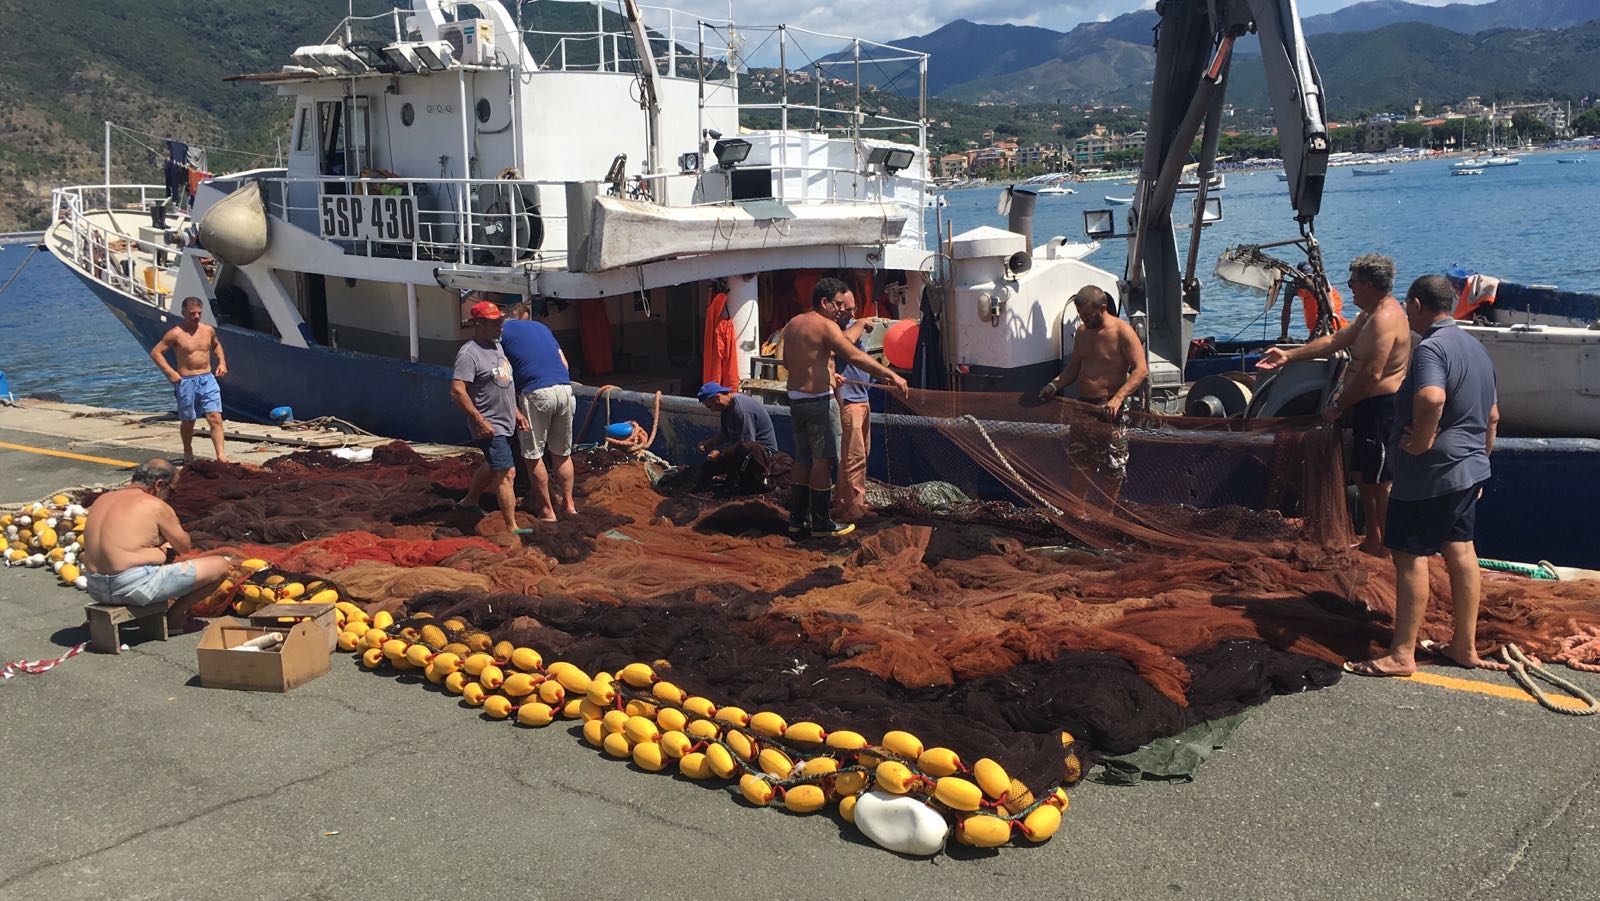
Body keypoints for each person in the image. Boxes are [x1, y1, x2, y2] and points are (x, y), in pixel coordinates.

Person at [1344, 274, 1504, 676]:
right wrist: (1480, 462)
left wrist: (1420, 442)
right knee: (1461, 551)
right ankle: (1463, 646)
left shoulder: (1431, 348)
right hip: (1470, 470)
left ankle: (1402, 653)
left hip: (1430, 474)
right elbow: (1493, 417)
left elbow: (1432, 397)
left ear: (1416, 305)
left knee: (1409, 556)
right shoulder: (1476, 348)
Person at [1256, 254, 1410, 556]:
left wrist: (1339, 405)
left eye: (1353, 282)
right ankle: (1373, 540)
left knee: (1382, 482)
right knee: (1363, 478)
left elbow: (1371, 375)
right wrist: (1290, 355)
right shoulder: (1368, 315)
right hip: (1364, 408)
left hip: (1382, 409)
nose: (1349, 288)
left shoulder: (1385, 319)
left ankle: (1393, 548)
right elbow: (1336, 341)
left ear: (1368, 284)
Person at [781, 277, 908, 538]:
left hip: (795, 400)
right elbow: (853, 355)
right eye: (838, 304)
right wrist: (891, 374)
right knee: (823, 460)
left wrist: (824, 372)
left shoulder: (793, 324)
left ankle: (798, 519)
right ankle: (821, 522)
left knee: (803, 458)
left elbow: (787, 361)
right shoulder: (826, 326)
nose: (841, 309)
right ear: (824, 302)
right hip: (818, 402)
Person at [81, 458, 233, 632]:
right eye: (171, 491)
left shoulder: (102, 499)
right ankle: (175, 618)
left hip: (95, 587)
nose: (170, 497)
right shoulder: (155, 505)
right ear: (159, 484)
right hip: (133, 588)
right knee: (220, 565)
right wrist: (166, 535)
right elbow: (184, 546)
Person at [1038, 286, 1148, 504]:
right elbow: (1074, 367)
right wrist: (1053, 385)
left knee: (1113, 467)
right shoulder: (1082, 332)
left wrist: (1117, 398)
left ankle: (1107, 514)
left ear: (1103, 308)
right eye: (1081, 316)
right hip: (1083, 409)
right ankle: (1079, 510)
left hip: (1109, 411)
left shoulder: (1122, 331)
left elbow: (1141, 369)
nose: (1085, 320)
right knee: (1079, 462)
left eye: (1088, 315)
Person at [450, 299, 530, 534]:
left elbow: (503, 382)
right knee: (508, 473)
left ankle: (469, 501)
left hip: (506, 422)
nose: (500, 327)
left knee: (494, 465)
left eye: (500, 322)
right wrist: (480, 421)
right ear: (479, 324)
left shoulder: (497, 346)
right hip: (489, 425)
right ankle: (511, 527)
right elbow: (457, 390)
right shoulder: (469, 353)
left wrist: (515, 412)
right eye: (495, 323)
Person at [500, 308, 576, 521]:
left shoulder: (500, 332)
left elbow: (502, 372)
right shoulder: (541, 327)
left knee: (533, 455)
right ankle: (569, 506)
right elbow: (565, 364)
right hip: (564, 389)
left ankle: (547, 510)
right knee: (562, 453)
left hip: (536, 392)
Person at [150, 296, 229, 463]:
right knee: (188, 420)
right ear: (184, 312)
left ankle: (221, 456)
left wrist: (222, 363)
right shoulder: (175, 333)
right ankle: (188, 451)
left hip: (208, 378)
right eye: (192, 313)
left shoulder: (208, 330)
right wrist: (170, 372)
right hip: (186, 381)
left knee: (215, 416)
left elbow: (216, 345)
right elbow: (156, 352)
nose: (196, 316)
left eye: (199, 313)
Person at [831, 290, 877, 521]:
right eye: (846, 309)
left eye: (853, 309)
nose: (851, 313)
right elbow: (843, 344)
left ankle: (843, 502)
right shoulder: (833, 329)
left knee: (860, 453)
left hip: (862, 397)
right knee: (854, 455)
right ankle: (855, 506)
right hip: (848, 400)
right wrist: (860, 322)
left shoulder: (852, 324)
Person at [695, 382, 781, 494]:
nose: (712, 410)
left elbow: (746, 443)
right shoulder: (726, 409)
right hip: (741, 450)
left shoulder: (741, 410)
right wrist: (708, 443)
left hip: (763, 454)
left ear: (717, 398)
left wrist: (721, 453)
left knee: (735, 475)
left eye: (710, 406)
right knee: (708, 468)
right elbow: (725, 433)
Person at [1289, 261, 1349, 338]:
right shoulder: (1295, 286)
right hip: (1315, 329)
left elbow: (1331, 310)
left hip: (1335, 328)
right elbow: (1286, 310)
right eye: (1306, 278)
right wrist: (1284, 335)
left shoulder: (1324, 286)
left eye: (1310, 276)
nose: (1309, 280)